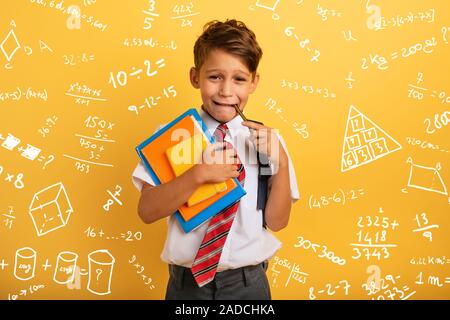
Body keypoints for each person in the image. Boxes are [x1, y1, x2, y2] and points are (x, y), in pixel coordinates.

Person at [132, 19, 299, 300]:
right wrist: (198, 175)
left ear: (254, 82)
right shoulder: (173, 136)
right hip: (187, 286)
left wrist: (279, 163)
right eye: (215, 77)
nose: (226, 91)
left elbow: (278, 221)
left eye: (239, 79)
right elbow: (147, 211)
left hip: (249, 285)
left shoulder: (268, 142)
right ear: (195, 77)